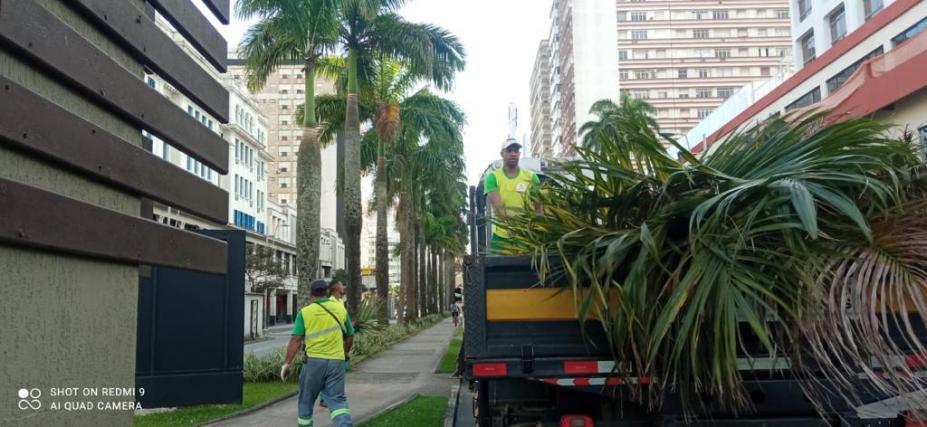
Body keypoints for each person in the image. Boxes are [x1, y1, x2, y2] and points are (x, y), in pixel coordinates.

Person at [281, 279, 355, 427]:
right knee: (338, 400)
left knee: (306, 400)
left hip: (314, 363)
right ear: (327, 293)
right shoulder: (340, 309)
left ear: (311, 294)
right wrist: (345, 353)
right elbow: (350, 335)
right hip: (336, 362)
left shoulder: (305, 313)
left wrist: (287, 363)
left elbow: (296, 340)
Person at [484, 138, 542, 254]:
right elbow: (499, 209)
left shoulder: (531, 177)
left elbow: (538, 208)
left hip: (526, 238)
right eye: (509, 150)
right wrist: (515, 227)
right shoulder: (493, 177)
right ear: (502, 153)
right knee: (493, 268)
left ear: (519, 154)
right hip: (502, 238)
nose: (513, 154)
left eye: (516, 151)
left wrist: (538, 232)